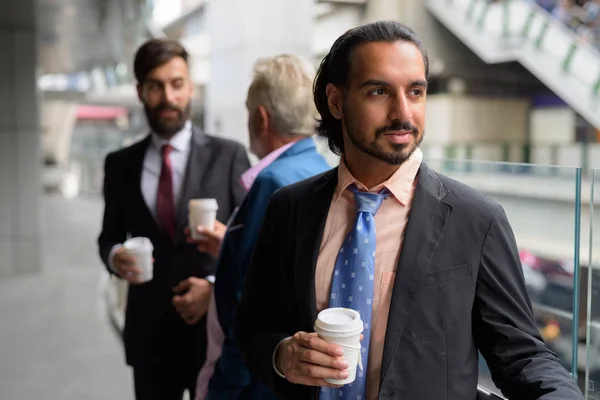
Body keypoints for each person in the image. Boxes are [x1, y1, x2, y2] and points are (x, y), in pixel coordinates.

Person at [235, 21, 584, 400]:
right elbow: (253, 325)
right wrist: (281, 355)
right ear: (336, 101)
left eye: (416, 91)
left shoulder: (475, 219)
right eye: (379, 91)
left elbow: (523, 356)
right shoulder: (290, 208)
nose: (403, 113)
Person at [97, 39, 250, 400]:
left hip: (213, 332)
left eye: (177, 84)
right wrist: (114, 257)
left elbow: (252, 245)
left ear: (190, 87)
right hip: (148, 336)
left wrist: (213, 288)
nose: (168, 96)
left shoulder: (229, 156)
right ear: (140, 92)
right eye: (156, 86)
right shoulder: (119, 165)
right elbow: (108, 237)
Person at [192, 54, 331, 400]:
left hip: (255, 382)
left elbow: (250, 301)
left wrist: (224, 388)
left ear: (260, 119)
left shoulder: (272, 183)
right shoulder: (321, 171)